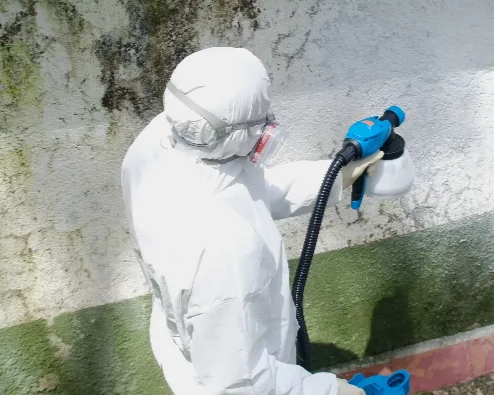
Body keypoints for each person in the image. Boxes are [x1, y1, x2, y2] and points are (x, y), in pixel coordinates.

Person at [121, 47, 382, 395]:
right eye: (262, 120)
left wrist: (335, 176)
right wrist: (335, 391)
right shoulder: (222, 249)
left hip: (193, 349)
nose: (270, 124)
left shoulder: (160, 144)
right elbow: (242, 384)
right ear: (234, 134)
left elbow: (247, 193)